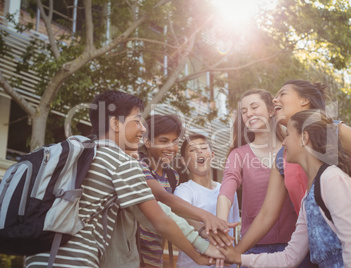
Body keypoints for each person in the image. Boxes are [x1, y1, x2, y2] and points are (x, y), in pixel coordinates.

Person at [25, 91, 216, 267]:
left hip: (37, 256)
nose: (142, 129)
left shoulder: (81, 152)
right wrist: (199, 254)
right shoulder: (120, 161)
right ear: (116, 124)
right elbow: (161, 218)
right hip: (74, 260)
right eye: (137, 121)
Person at [233, 80, 351, 256]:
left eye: (282, 94)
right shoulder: (282, 157)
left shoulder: (336, 132)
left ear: (304, 100)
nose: (274, 100)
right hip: (317, 254)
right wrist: (236, 252)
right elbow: (266, 214)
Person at [218, 110, 351, 267]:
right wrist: (238, 258)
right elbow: (289, 258)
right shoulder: (309, 195)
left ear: (304, 137)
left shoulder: (333, 179)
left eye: (288, 134)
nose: (283, 142)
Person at [139, 114, 234, 267]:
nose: (171, 147)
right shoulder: (138, 166)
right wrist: (206, 216)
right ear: (147, 142)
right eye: (164, 141)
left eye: (175, 141)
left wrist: (204, 231)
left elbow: (175, 213)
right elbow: (162, 197)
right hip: (133, 253)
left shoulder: (172, 175)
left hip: (155, 255)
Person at [216, 89, 297, 256]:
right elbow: (226, 191)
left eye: (254, 107)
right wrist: (221, 223)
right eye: (244, 111)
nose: (249, 114)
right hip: (253, 248)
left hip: (296, 248)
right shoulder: (239, 155)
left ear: (270, 110)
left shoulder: (294, 149)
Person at [174, 133, 241, 268]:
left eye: (204, 148)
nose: (199, 151)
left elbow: (233, 228)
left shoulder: (226, 190)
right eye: (192, 150)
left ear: (213, 155)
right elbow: (180, 220)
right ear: (183, 160)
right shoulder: (183, 191)